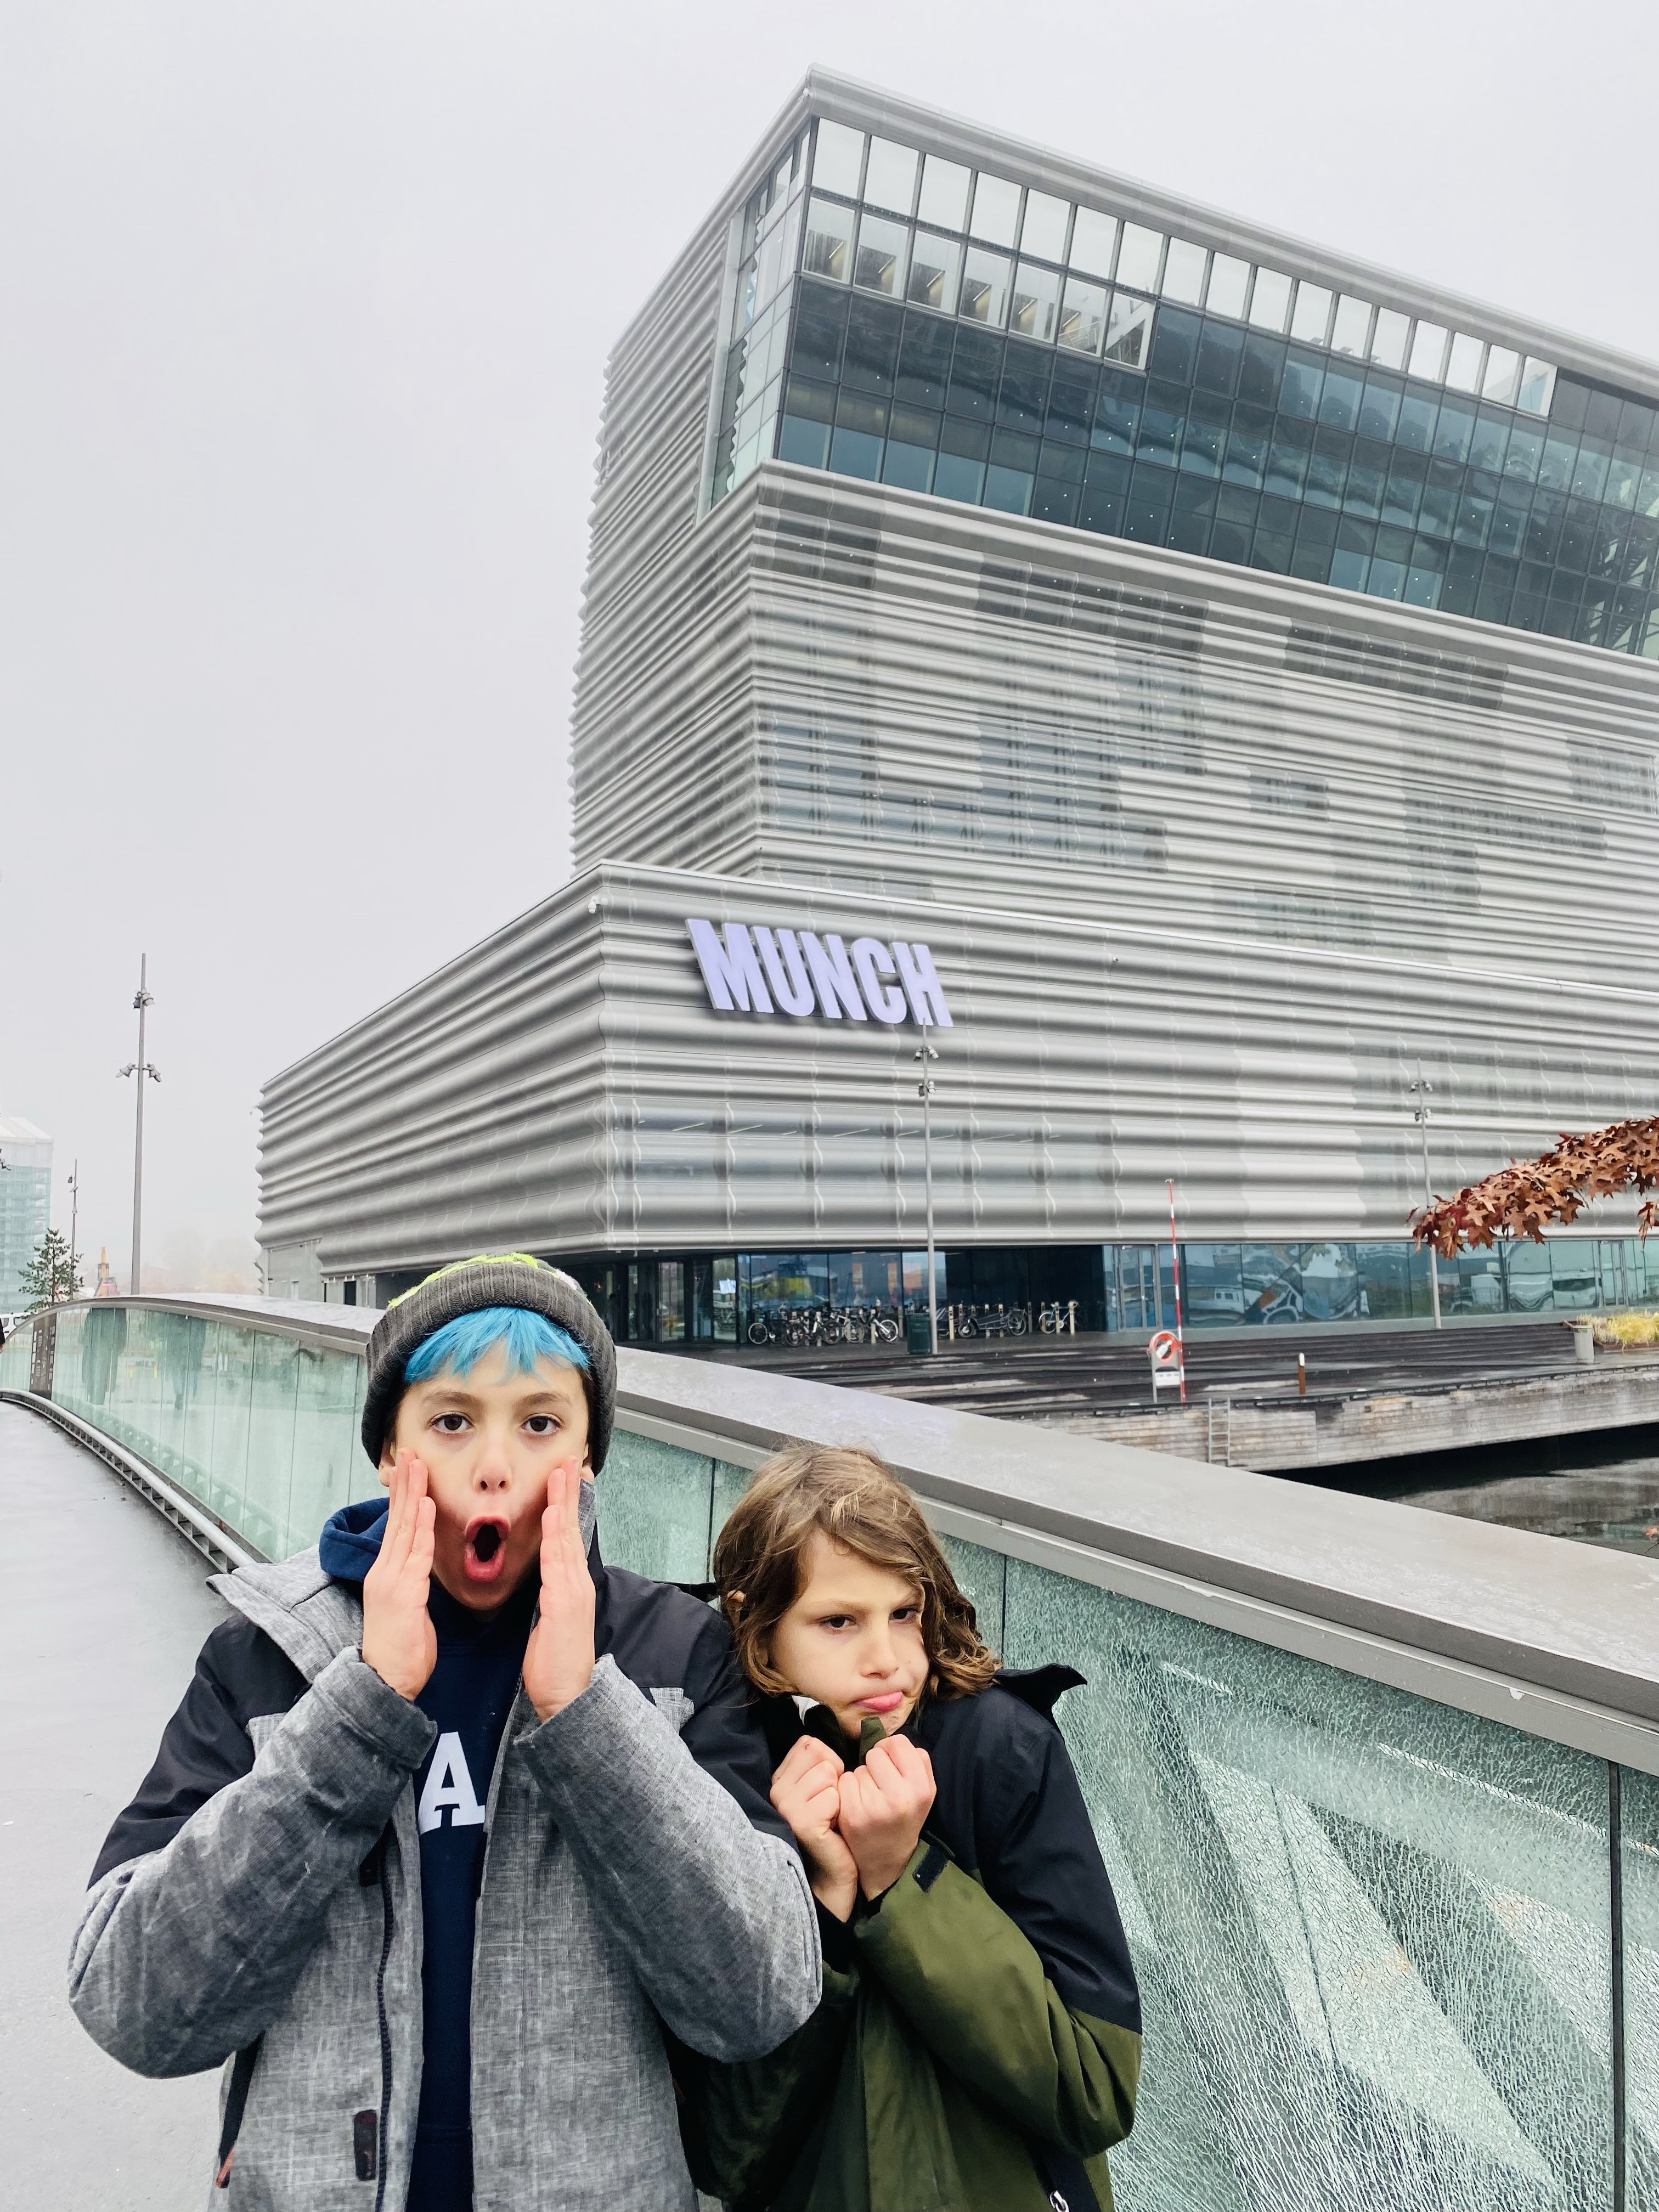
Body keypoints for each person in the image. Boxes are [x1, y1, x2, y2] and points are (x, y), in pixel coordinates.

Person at [69, 1253, 820, 2209]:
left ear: (589, 1455)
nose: (496, 1465)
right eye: (452, 1421)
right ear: (391, 1452)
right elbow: (134, 2005)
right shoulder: (266, 1658)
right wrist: (359, 1709)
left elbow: (760, 1998)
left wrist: (590, 1714)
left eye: (541, 1423)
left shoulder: (675, 1655)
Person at [678, 1444, 1142, 2212]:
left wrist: (905, 1879)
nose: (887, 1659)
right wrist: (820, 1905)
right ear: (755, 1629)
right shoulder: (723, 1777)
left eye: (904, 1614)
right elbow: (726, 2154)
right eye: (838, 1622)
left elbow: (1096, 2087)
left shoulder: (999, 1750)